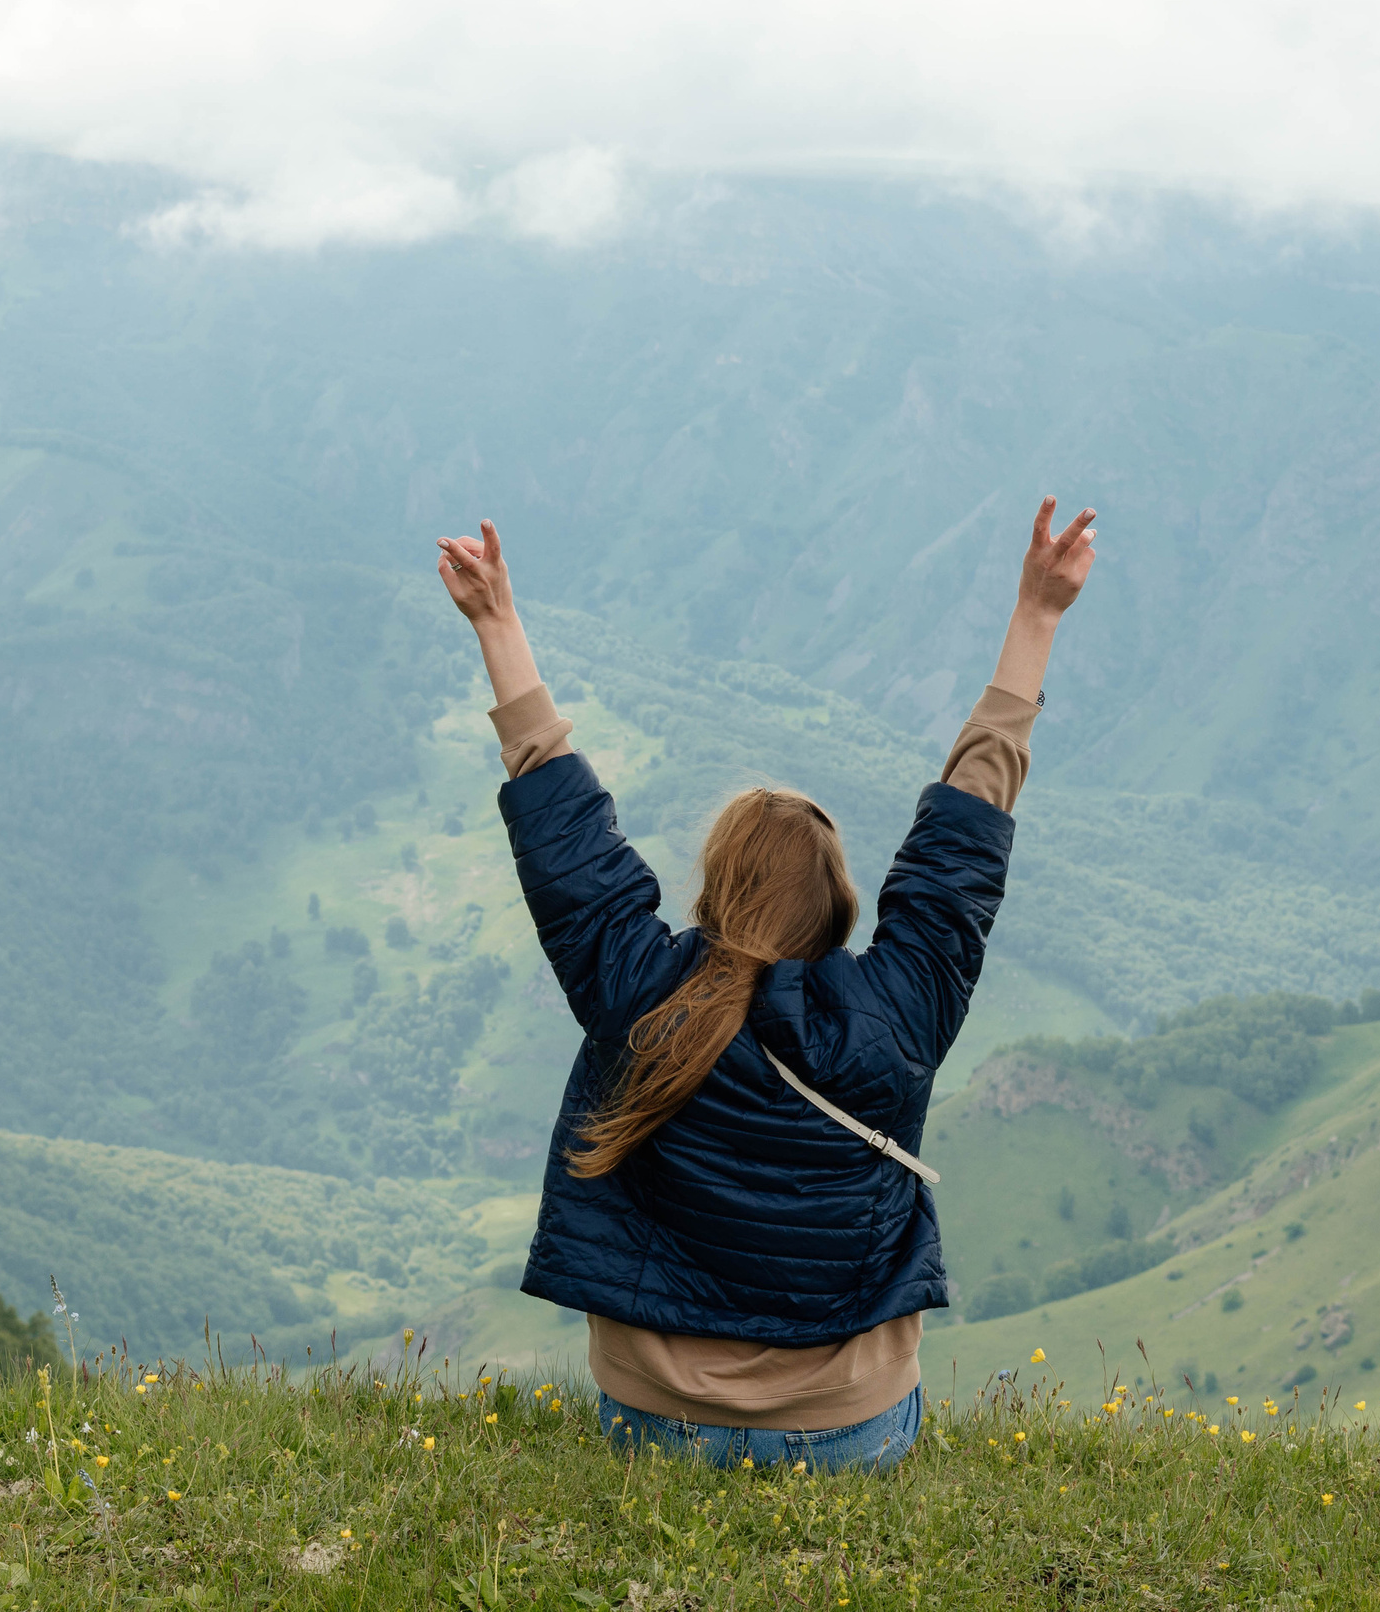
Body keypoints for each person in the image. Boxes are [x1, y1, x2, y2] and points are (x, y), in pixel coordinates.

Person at [435, 496, 1098, 1474]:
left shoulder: (638, 991)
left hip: (656, 1418)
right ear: (836, 905)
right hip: (847, 1432)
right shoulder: (899, 1014)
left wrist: (496, 622)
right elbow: (961, 842)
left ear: (716, 888)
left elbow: (562, 834)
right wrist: (1037, 617)